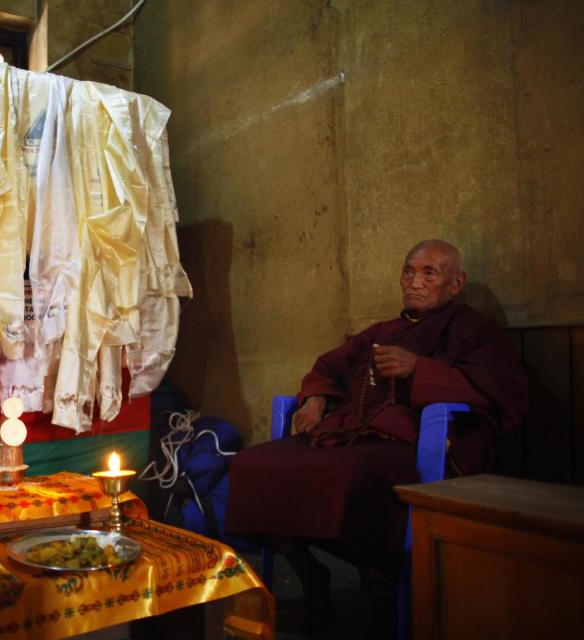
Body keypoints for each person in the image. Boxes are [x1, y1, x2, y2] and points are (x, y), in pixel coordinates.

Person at [224, 240, 529, 639]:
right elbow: (330, 364)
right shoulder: (382, 332)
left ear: (456, 284)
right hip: (345, 433)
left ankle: (380, 587)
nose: (414, 282)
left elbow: (499, 388)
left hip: (410, 438)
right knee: (252, 464)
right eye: (408, 271)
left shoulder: (475, 330)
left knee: (353, 477)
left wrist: (420, 369)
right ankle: (304, 567)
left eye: (429, 274)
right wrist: (315, 398)